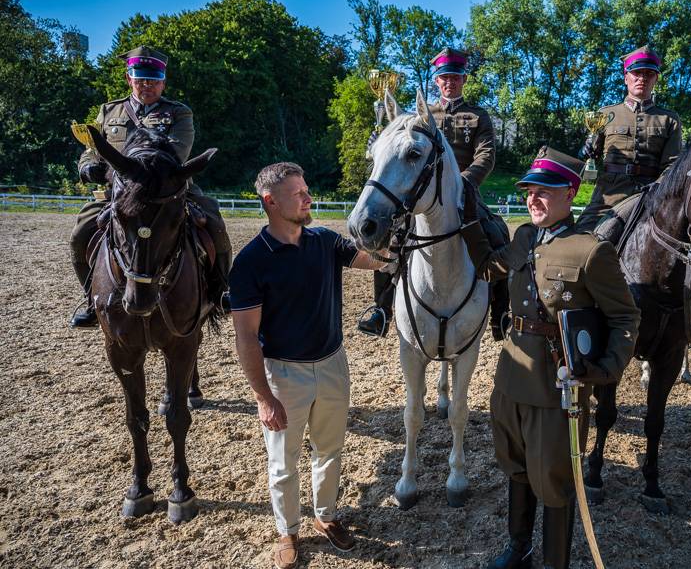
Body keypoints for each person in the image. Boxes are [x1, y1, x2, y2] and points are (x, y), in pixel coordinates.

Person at [459, 146, 640, 569]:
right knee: (516, 467)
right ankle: (518, 547)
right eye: (529, 191)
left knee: (555, 480)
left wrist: (604, 371)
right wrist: (468, 217)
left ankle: (554, 561)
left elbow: (626, 317)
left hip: (558, 387)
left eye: (544, 191)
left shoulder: (590, 251)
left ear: (570, 193)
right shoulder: (523, 237)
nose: (532, 198)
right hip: (511, 378)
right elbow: (489, 268)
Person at [230, 162, 383, 569]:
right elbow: (246, 337)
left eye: (307, 190)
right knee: (284, 461)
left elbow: (374, 260)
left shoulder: (325, 241)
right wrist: (263, 397)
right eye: (298, 194)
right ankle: (288, 529)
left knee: (330, 450)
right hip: (284, 374)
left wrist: (397, 246)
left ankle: (326, 516)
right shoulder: (250, 262)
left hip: (333, 364)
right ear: (271, 202)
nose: (308, 198)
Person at [69, 45, 231, 328]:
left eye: (154, 81)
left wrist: (119, 167)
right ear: (129, 79)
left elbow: (177, 154)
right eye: (141, 80)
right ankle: (91, 299)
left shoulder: (179, 113)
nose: (147, 86)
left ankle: (220, 292)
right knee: (80, 234)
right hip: (117, 195)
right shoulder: (109, 111)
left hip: (169, 191)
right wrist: (87, 166)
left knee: (214, 223)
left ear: (163, 82)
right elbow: (93, 148)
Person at [357, 47, 511, 340]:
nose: (449, 82)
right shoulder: (420, 115)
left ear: (463, 79)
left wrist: (462, 182)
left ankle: (501, 313)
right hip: (424, 195)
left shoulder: (478, 116)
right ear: (436, 81)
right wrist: (380, 136)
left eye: (454, 77)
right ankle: (381, 310)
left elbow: (486, 155)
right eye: (443, 78)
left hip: (465, 191)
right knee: (392, 239)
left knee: (497, 233)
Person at [575, 45, 682, 233]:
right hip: (609, 195)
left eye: (649, 74)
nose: (642, 78)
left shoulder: (669, 119)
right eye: (637, 73)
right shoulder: (606, 114)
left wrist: (656, 189)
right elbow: (592, 155)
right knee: (581, 237)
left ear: (656, 79)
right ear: (626, 77)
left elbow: (671, 166)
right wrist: (586, 151)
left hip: (650, 196)